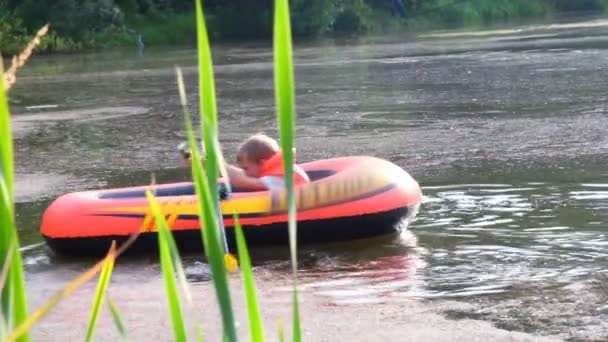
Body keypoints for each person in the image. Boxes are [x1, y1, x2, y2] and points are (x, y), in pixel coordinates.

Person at [179, 133, 309, 191]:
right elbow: (241, 175)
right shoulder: (279, 169)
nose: (244, 172)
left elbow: (241, 180)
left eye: (246, 168)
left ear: (262, 163)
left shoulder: (279, 179)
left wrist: (218, 162)